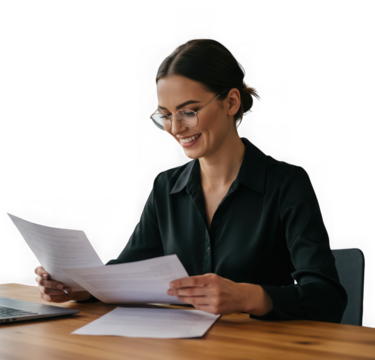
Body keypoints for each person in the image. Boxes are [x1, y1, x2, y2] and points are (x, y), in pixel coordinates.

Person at [34, 38, 347, 322]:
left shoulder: (285, 184)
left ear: (232, 102)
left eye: (188, 111)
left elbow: (327, 297)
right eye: (165, 115)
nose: (175, 128)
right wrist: (76, 288)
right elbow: (125, 274)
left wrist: (247, 296)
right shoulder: (167, 188)